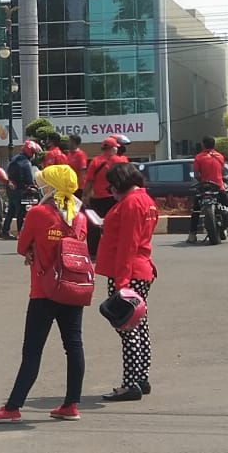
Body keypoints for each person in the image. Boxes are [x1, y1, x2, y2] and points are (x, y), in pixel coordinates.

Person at [0, 165, 87, 423]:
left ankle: (13, 406)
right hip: (73, 288)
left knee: (32, 351)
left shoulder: (39, 213)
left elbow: (21, 245)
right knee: (73, 346)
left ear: (50, 187)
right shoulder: (79, 215)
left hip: (44, 289)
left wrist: (33, 251)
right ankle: (71, 404)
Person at [95, 162, 158, 401]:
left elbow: (127, 244)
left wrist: (121, 282)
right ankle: (141, 377)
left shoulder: (131, 203)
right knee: (140, 325)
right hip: (141, 269)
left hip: (128, 272)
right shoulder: (146, 201)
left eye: (111, 185)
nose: (110, 189)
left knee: (126, 327)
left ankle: (130, 384)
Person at [187, 136, 228, 243]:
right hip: (218, 187)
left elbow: (196, 174)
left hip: (204, 187)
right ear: (214, 145)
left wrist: (202, 180)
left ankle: (192, 235)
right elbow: (219, 172)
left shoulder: (199, 157)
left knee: (196, 210)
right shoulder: (220, 156)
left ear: (203, 145)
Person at [82, 137, 129, 257]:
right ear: (113, 148)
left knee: (93, 227)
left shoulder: (95, 161)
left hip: (97, 199)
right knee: (116, 226)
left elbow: (89, 181)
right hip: (115, 199)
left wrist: (85, 196)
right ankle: (116, 250)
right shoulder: (122, 160)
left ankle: (93, 252)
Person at [1, 140, 40, 240]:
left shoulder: (15, 158)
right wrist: (33, 185)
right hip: (20, 189)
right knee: (21, 212)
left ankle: (5, 230)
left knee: (11, 210)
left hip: (11, 188)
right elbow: (29, 178)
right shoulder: (26, 162)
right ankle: (20, 233)